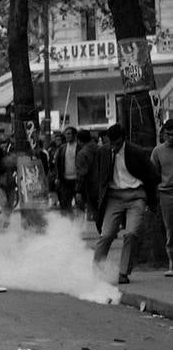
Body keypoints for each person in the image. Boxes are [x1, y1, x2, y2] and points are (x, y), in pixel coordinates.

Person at [83, 122, 158, 284]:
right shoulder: (103, 152)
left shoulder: (136, 152)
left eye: (117, 144)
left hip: (136, 196)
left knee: (131, 233)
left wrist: (151, 201)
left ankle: (123, 272)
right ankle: (96, 272)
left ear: (123, 139)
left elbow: (151, 175)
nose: (113, 147)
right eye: (111, 143)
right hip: (114, 197)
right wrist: (95, 199)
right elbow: (98, 177)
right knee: (106, 235)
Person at [150, 121, 173, 277]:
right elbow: (153, 174)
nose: (171, 137)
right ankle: (172, 262)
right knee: (170, 229)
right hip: (166, 193)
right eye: (168, 134)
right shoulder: (158, 151)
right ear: (164, 134)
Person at [51, 127, 81, 215]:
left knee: (79, 203)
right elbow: (58, 163)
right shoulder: (62, 148)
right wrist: (57, 177)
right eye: (66, 134)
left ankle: (79, 224)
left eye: (69, 134)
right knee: (65, 204)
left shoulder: (79, 147)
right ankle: (68, 224)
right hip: (65, 180)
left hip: (77, 180)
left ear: (74, 135)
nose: (67, 136)